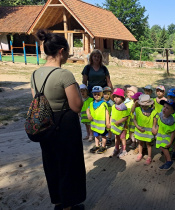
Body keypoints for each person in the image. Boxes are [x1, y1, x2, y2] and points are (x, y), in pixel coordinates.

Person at [31, 30, 85, 209]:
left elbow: (38, 102)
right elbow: (76, 106)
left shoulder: (34, 75)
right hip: (65, 124)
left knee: (51, 163)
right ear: (61, 51)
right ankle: (69, 205)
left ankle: (58, 201)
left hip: (45, 124)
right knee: (69, 164)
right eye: (68, 50)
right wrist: (78, 91)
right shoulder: (64, 75)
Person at [153, 99, 175, 170]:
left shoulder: (171, 120)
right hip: (161, 135)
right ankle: (166, 162)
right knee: (163, 149)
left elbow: (173, 132)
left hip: (168, 137)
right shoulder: (161, 114)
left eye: (167, 108)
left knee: (164, 147)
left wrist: (170, 142)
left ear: (172, 111)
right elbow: (159, 123)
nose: (164, 109)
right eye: (164, 106)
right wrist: (156, 130)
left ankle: (169, 161)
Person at [133, 94, 157, 165]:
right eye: (142, 106)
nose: (144, 107)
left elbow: (155, 120)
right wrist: (137, 126)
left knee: (148, 144)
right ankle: (140, 154)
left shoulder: (153, 111)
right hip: (140, 131)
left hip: (148, 133)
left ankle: (149, 157)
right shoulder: (137, 110)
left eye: (146, 106)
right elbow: (134, 119)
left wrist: (153, 127)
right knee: (140, 143)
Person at [87, 86, 110, 154]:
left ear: (102, 94)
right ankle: (97, 145)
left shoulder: (104, 104)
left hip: (102, 125)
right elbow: (88, 109)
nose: (96, 96)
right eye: (95, 94)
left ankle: (103, 146)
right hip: (95, 125)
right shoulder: (91, 103)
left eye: (98, 94)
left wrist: (108, 123)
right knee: (96, 135)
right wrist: (88, 114)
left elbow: (107, 113)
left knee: (103, 136)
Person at [110, 88, 130, 158]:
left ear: (122, 97)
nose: (116, 98)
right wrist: (110, 123)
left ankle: (124, 150)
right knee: (116, 137)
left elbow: (126, 117)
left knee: (122, 138)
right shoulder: (113, 106)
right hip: (115, 126)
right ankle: (117, 148)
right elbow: (112, 115)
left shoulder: (123, 106)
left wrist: (118, 122)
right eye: (114, 96)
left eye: (118, 97)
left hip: (122, 126)